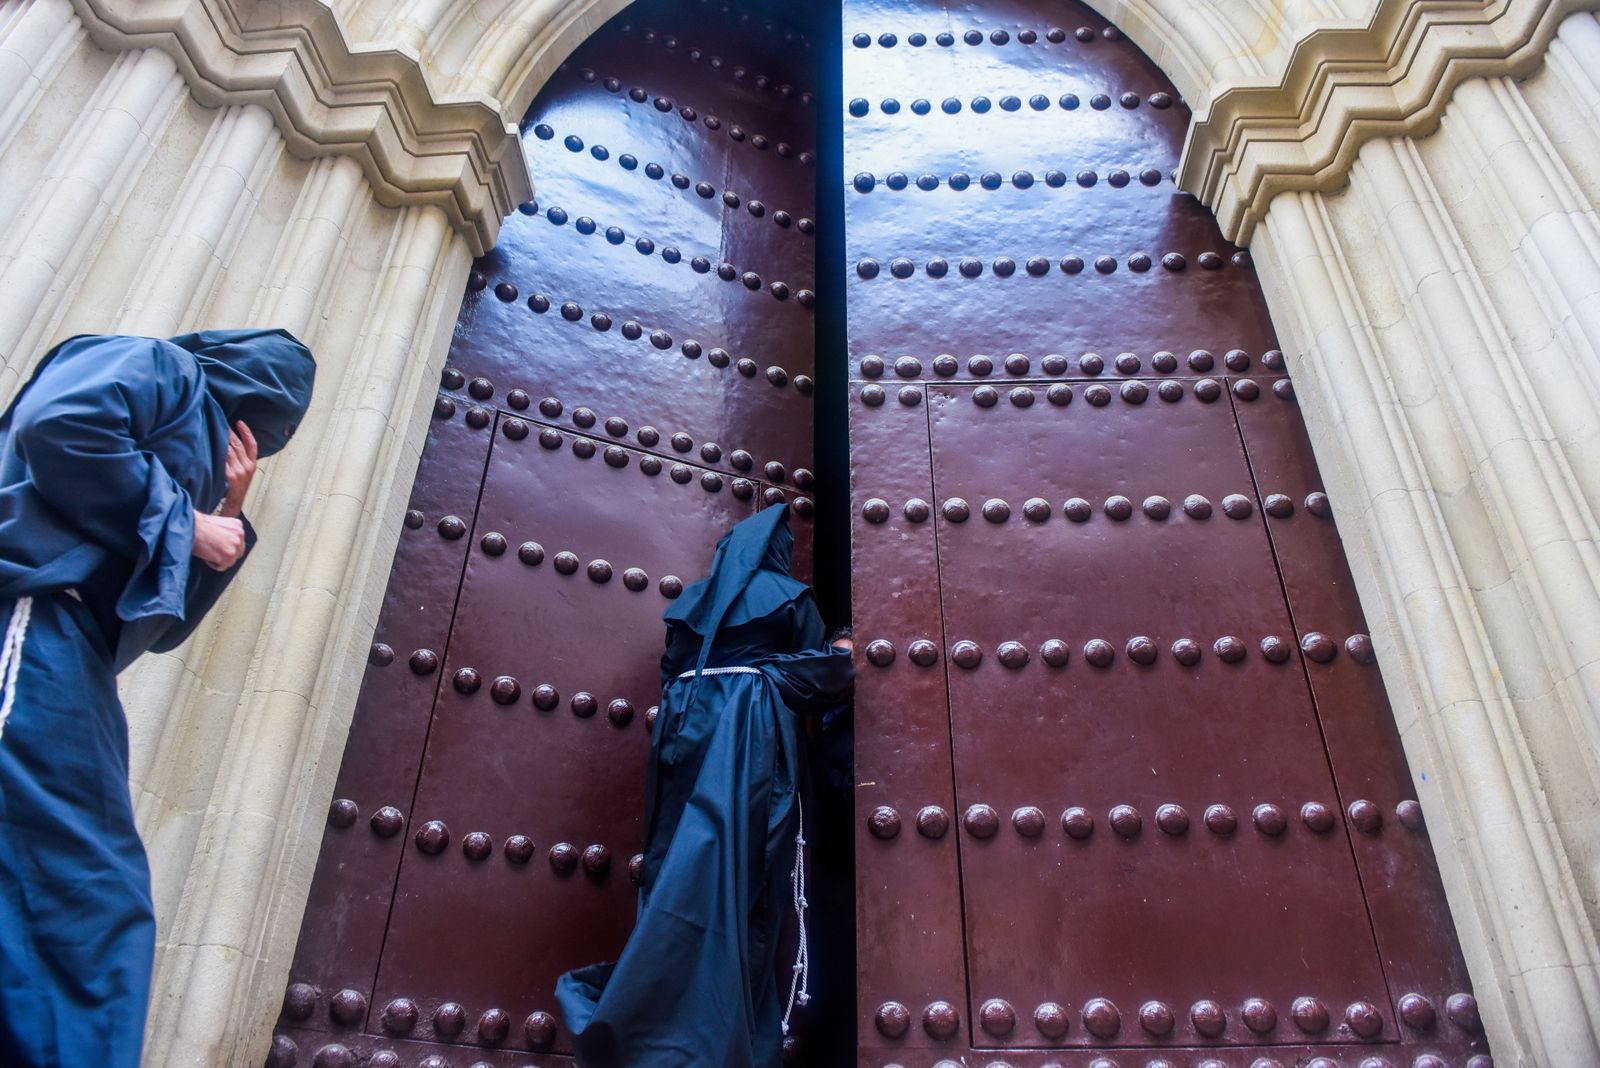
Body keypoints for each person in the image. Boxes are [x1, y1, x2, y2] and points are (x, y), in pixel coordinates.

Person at [0, 329, 315, 1068]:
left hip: (76, 652)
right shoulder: (163, 366)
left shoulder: (199, 461)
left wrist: (225, 516)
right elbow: (61, 422)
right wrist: (186, 522)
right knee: (84, 885)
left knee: (83, 884)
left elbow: (158, 627)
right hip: (29, 611)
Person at [556, 504, 853, 1068]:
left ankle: (659, 1017)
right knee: (744, 885)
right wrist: (846, 657)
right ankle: (708, 1038)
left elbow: (672, 673)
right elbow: (815, 674)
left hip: (685, 741)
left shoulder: (690, 604)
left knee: (677, 872)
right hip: (750, 750)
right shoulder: (788, 596)